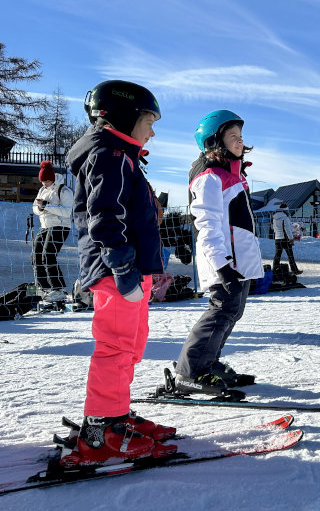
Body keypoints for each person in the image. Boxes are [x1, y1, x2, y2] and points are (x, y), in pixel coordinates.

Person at [62, 79, 177, 467]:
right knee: (114, 346)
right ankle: (99, 433)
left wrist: (148, 269)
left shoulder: (123, 157)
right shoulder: (108, 156)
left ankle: (116, 414)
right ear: (125, 117)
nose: (153, 129)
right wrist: (124, 266)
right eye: (149, 119)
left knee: (132, 344)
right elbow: (104, 217)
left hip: (130, 269)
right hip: (115, 270)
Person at [173, 110, 263, 395]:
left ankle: (208, 363)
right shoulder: (210, 177)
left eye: (241, 136)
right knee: (221, 310)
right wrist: (221, 265)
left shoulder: (231, 174)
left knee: (232, 311)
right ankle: (190, 372)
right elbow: (207, 223)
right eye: (233, 136)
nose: (240, 141)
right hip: (224, 260)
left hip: (238, 260)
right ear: (214, 142)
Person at [32, 160, 73, 302]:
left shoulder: (64, 190)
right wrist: (40, 208)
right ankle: (43, 287)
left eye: (47, 181)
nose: (44, 184)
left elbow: (67, 212)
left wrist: (47, 206)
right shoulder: (42, 190)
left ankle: (58, 289)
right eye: (42, 181)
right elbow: (35, 208)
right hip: (44, 226)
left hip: (60, 226)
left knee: (48, 255)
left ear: (53, 178)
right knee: (36, 255)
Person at [271, 202, 302, 275]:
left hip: (277, 238)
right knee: (290, 255)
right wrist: (291, 239)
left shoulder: (274, 218)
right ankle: (294, 270)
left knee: (277, 255)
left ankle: (274, 269)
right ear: (285, 210)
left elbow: (273, 228)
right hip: (285, 239)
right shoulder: (285, 218)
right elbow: (287, 229)